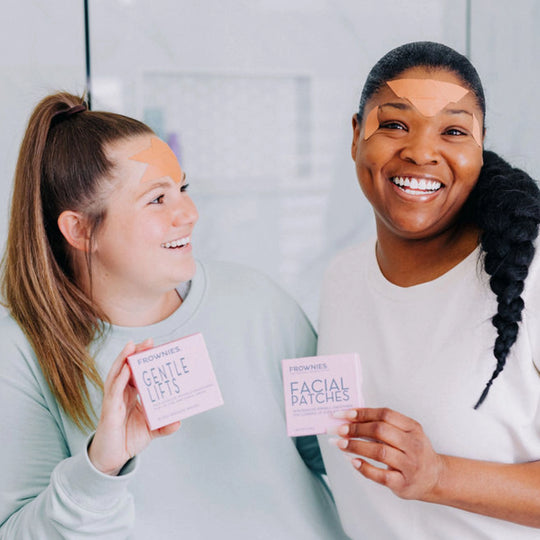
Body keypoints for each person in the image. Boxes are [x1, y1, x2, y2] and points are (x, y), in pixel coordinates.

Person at [0, 92, 347, 539]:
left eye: (181, 189)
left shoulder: (258, 301)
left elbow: (335, 454)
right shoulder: (21, 353)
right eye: (156, 200)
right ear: (81, 230)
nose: (189, 214)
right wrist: (100, 467)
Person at [318, 41, 540, 539]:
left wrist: (438, 476)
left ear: (480, 148)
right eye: (395, 124)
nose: (420, 151)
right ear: (356, 136)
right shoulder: (342, 278)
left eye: (454, 131)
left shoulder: (534, 275)